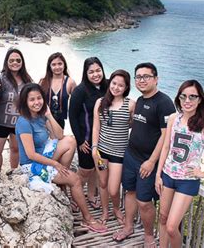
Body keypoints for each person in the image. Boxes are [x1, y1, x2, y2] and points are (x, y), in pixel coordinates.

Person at [15, 83, 108, 233]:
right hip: (32, 166)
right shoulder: (24, 122)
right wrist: (55, 164)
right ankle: (88, 219)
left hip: (44, 155)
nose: (36, 102)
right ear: (25, 102)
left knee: (70, 140)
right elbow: (31, 155)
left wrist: (49, 115)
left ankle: (62, 185)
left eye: (39, 98)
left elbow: (59, 135)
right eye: (32, 100)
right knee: (75, 179)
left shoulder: (39, 116)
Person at [155, 80, 204, 248]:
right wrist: (158, 175)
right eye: (183, 96)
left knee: (173, 227)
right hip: (167, 175)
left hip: (187, 181)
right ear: (179, 98)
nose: (187, 101)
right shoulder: (174, 118)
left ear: (200, 99)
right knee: (163, 218)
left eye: (192, 97)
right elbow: (166, 147)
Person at [116, 62, 176, 246]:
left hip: (148, 162)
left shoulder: (164, 103)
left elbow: (166, 137)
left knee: (144, 201)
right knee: (129, 191)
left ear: (156, 79)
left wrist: (151, 161)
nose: (142, 80)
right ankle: (128, 226)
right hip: (131, 156)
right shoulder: (140, 100)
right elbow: (138, 125)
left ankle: (149, 235)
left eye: (146, 76)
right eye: (138, 77)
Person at [92, 69, 136, 226]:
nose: (116, 87)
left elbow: (135, 125)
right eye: (114, 83)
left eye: (121, 85)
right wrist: (94, 149)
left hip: (119, 154)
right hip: (101, 152)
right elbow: (96, 128)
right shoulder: (100, 102)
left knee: (113, 189)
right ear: (109, 83)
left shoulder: (131, 105)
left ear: (126, 87)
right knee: (102, 183)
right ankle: (105, 211)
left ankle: (116, 208)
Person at [69, 57, 108, 210]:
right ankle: (74, 197)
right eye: (91, 72)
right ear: (86, 73)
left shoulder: (108, 86)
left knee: (97, 169)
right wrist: (79, 140)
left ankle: (91, 195)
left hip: (103, 137)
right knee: (85, 170)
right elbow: (72, 116)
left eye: (98, 70)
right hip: (85, 138)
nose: (95, 74)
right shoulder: (80, 90)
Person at [0, 48, 33, 170]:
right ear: (7, 62)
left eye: (18, 60)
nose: (15, 63)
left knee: (15, 149)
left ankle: (13, 172)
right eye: (12, 60)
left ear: (22, 62)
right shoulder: (1, 78)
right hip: (1, 121)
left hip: (19, 122)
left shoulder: (27, 80)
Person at [39, 52, 76, 129]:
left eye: (60, 64)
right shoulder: (43, 81)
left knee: (57, 141)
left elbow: (77, 104)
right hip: (42, 120)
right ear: (49, 66)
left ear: (64, 65)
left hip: (59, 122)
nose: (57, 67)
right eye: (54, 64)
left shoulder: (70, 82)